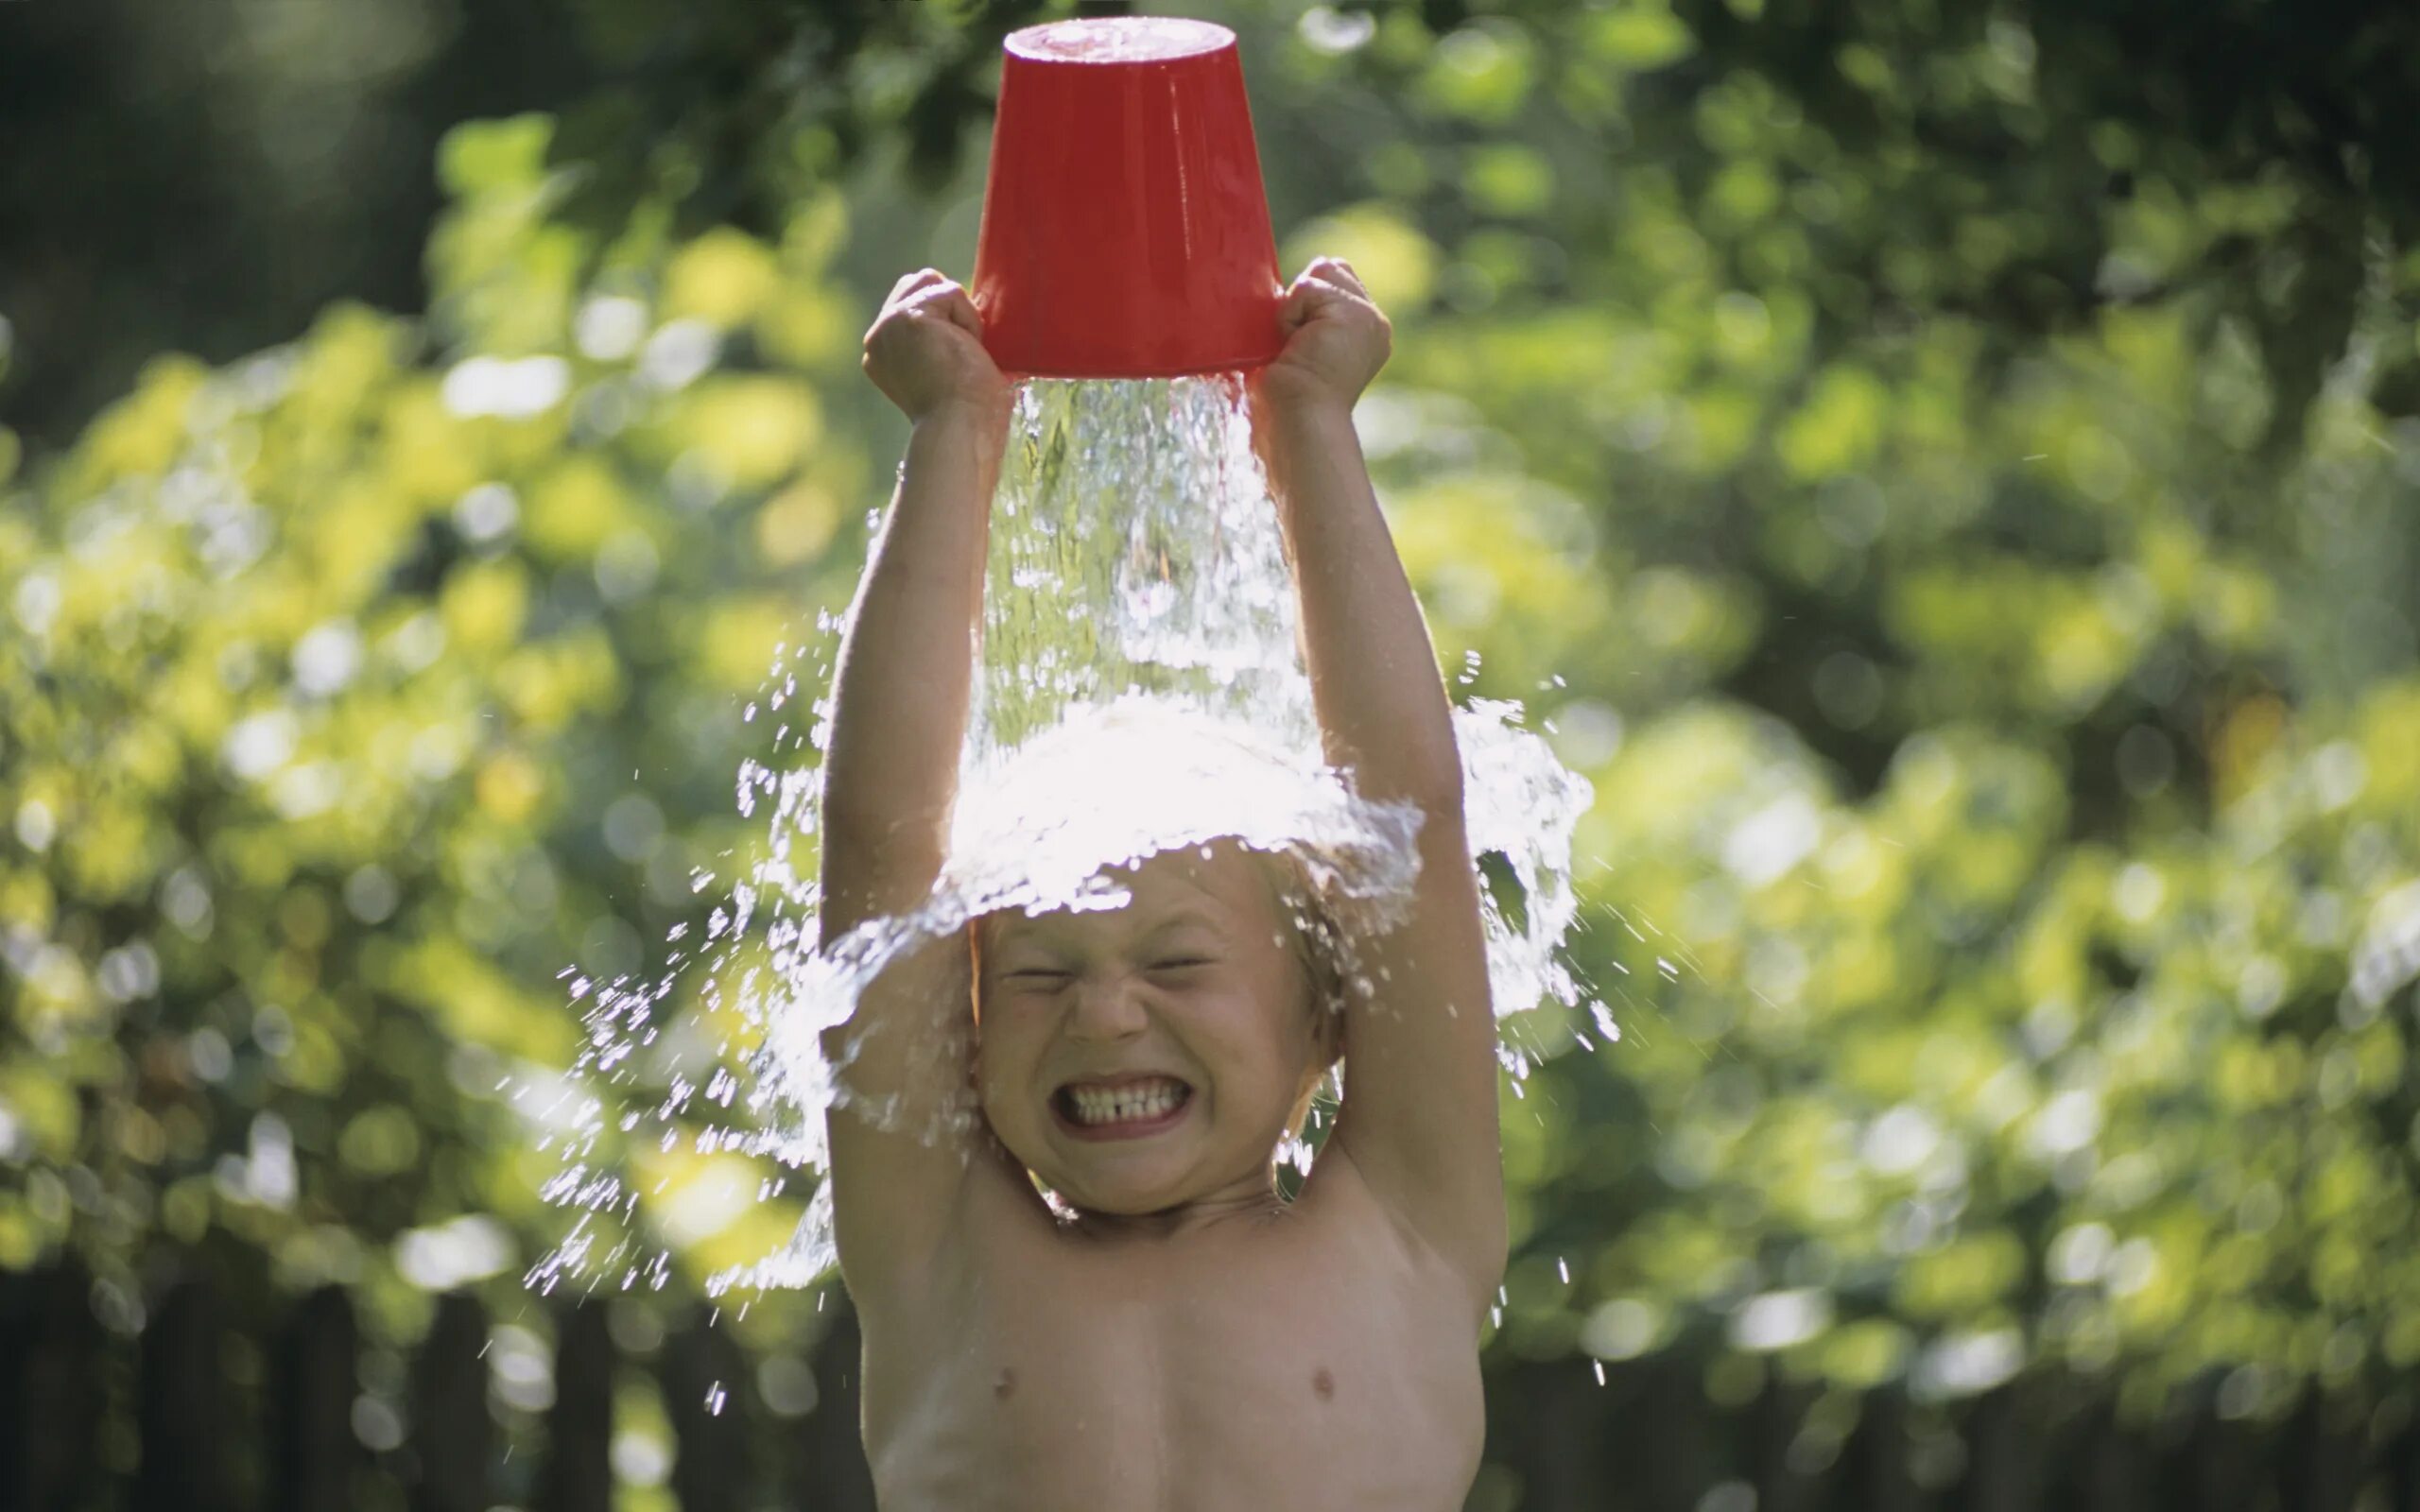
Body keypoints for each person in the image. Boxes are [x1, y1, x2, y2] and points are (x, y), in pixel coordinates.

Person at [817, 255, 1504, 1509]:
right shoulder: (935, 1258)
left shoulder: (1406, 1227)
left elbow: (1408, 817)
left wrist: (1310, 427)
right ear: (964, 1034)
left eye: (1178, 963)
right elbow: (883, 852)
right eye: (1034, 975)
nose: (1106, 1013)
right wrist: (953, 430)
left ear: (1328, 1014)